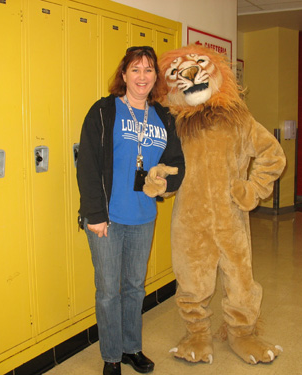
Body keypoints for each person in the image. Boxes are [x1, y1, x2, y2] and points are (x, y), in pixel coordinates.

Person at [77, 46, 185, 375]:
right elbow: (88, 165)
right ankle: (111, 355)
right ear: (123, 75)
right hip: (106, 219)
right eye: (135, 70)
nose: (142, 76)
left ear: (156, 77)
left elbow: (178, 165)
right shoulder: (104, 111)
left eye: (148, 70)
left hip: (143, 217)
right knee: (109, 290)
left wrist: (164, 184)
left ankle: (131, 348)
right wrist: (94, 216)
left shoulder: (163, 116)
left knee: (135, 287)